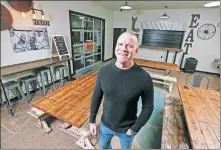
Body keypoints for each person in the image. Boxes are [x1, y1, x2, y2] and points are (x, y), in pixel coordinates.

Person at [89, 31, 154, 149]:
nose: (123, 49)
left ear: (136, 51)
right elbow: (97, 95)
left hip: (127, 129)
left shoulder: (144, 78)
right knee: (103, 146)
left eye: (129, 46)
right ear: (115, 47)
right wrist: (92, 120)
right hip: (105, 125)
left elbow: (148, 107)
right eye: (120, 44)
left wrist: (134, 129)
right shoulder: (104, 70)